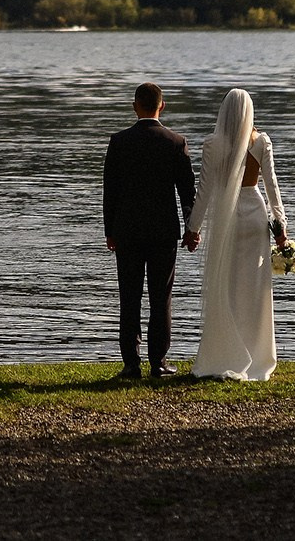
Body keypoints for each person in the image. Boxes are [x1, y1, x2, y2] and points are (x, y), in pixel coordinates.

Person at [185, 87, 288, 382]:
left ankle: (227, 352)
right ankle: (257, 357)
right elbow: (272, 187)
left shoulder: (212, 144)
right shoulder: (261, 141)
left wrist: (193, 229)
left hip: (227, 217)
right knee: (254, 288)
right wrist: (280, 226)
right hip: (254, 215)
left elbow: (204, 191)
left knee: (226, 285)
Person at [102, 81, 198, 380]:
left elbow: (110, 191)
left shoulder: (119, 142)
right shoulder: (176, 142)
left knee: (129, 298)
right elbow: (187, 192)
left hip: (127, 230)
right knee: (161, 298)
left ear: (135, 106)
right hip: (163, 232)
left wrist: (109, 230)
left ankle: (131, 364)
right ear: (162, 106)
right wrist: (191, 228)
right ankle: (158, 361)